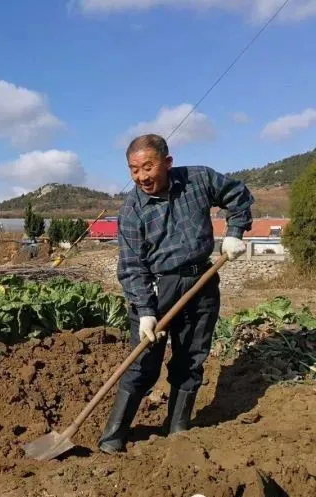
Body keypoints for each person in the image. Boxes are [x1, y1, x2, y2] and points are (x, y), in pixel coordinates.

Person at [98, 133, 254, 454]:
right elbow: (130, 266)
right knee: (142, 362)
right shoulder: (132, 210)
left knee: (192, 357)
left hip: (202, 280)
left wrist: (235, 233)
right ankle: (113, 436)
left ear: (167, 163)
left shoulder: (199, 179)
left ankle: (178, 428)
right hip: (157, 288)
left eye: (148, 167)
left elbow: (238, 195)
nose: (141, 177)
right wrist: (144, 311)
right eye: (133, 169)